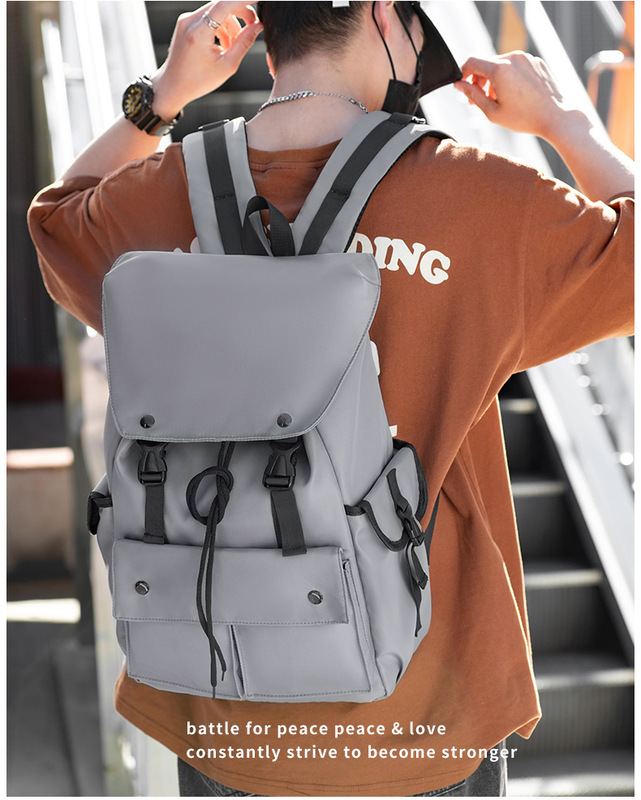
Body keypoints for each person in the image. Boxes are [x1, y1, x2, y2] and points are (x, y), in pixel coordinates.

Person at [28, 2, 633, 796]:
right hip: (423, 711)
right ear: (385, 15)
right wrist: (563, 123)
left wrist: (163, 97)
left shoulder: (158, 193)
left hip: (218, 693)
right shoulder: (481, 198)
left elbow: (57, 221)